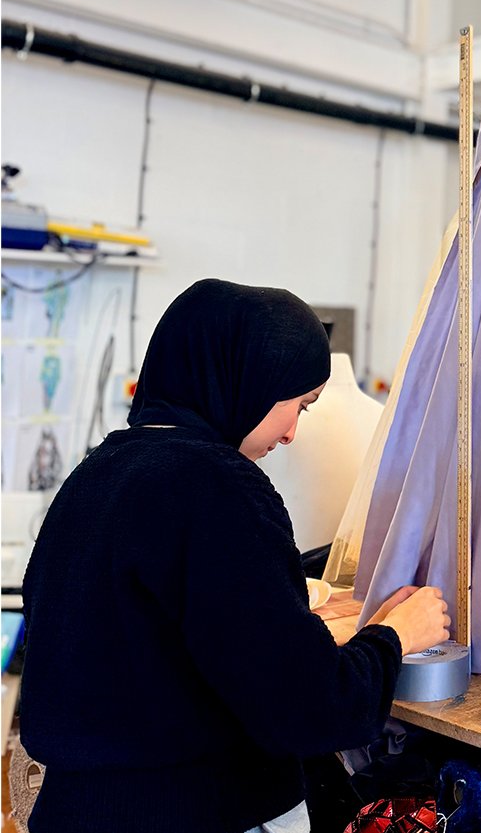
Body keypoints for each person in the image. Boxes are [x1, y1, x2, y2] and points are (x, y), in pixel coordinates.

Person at [19, 278, 449, 833]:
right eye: (299, 404)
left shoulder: (96, 475)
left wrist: (295, 626)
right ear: (248, 379)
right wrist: (395, 635)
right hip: (197, 812)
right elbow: (314, 711)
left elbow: (153, 652)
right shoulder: (219, 486)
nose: (293, 432)